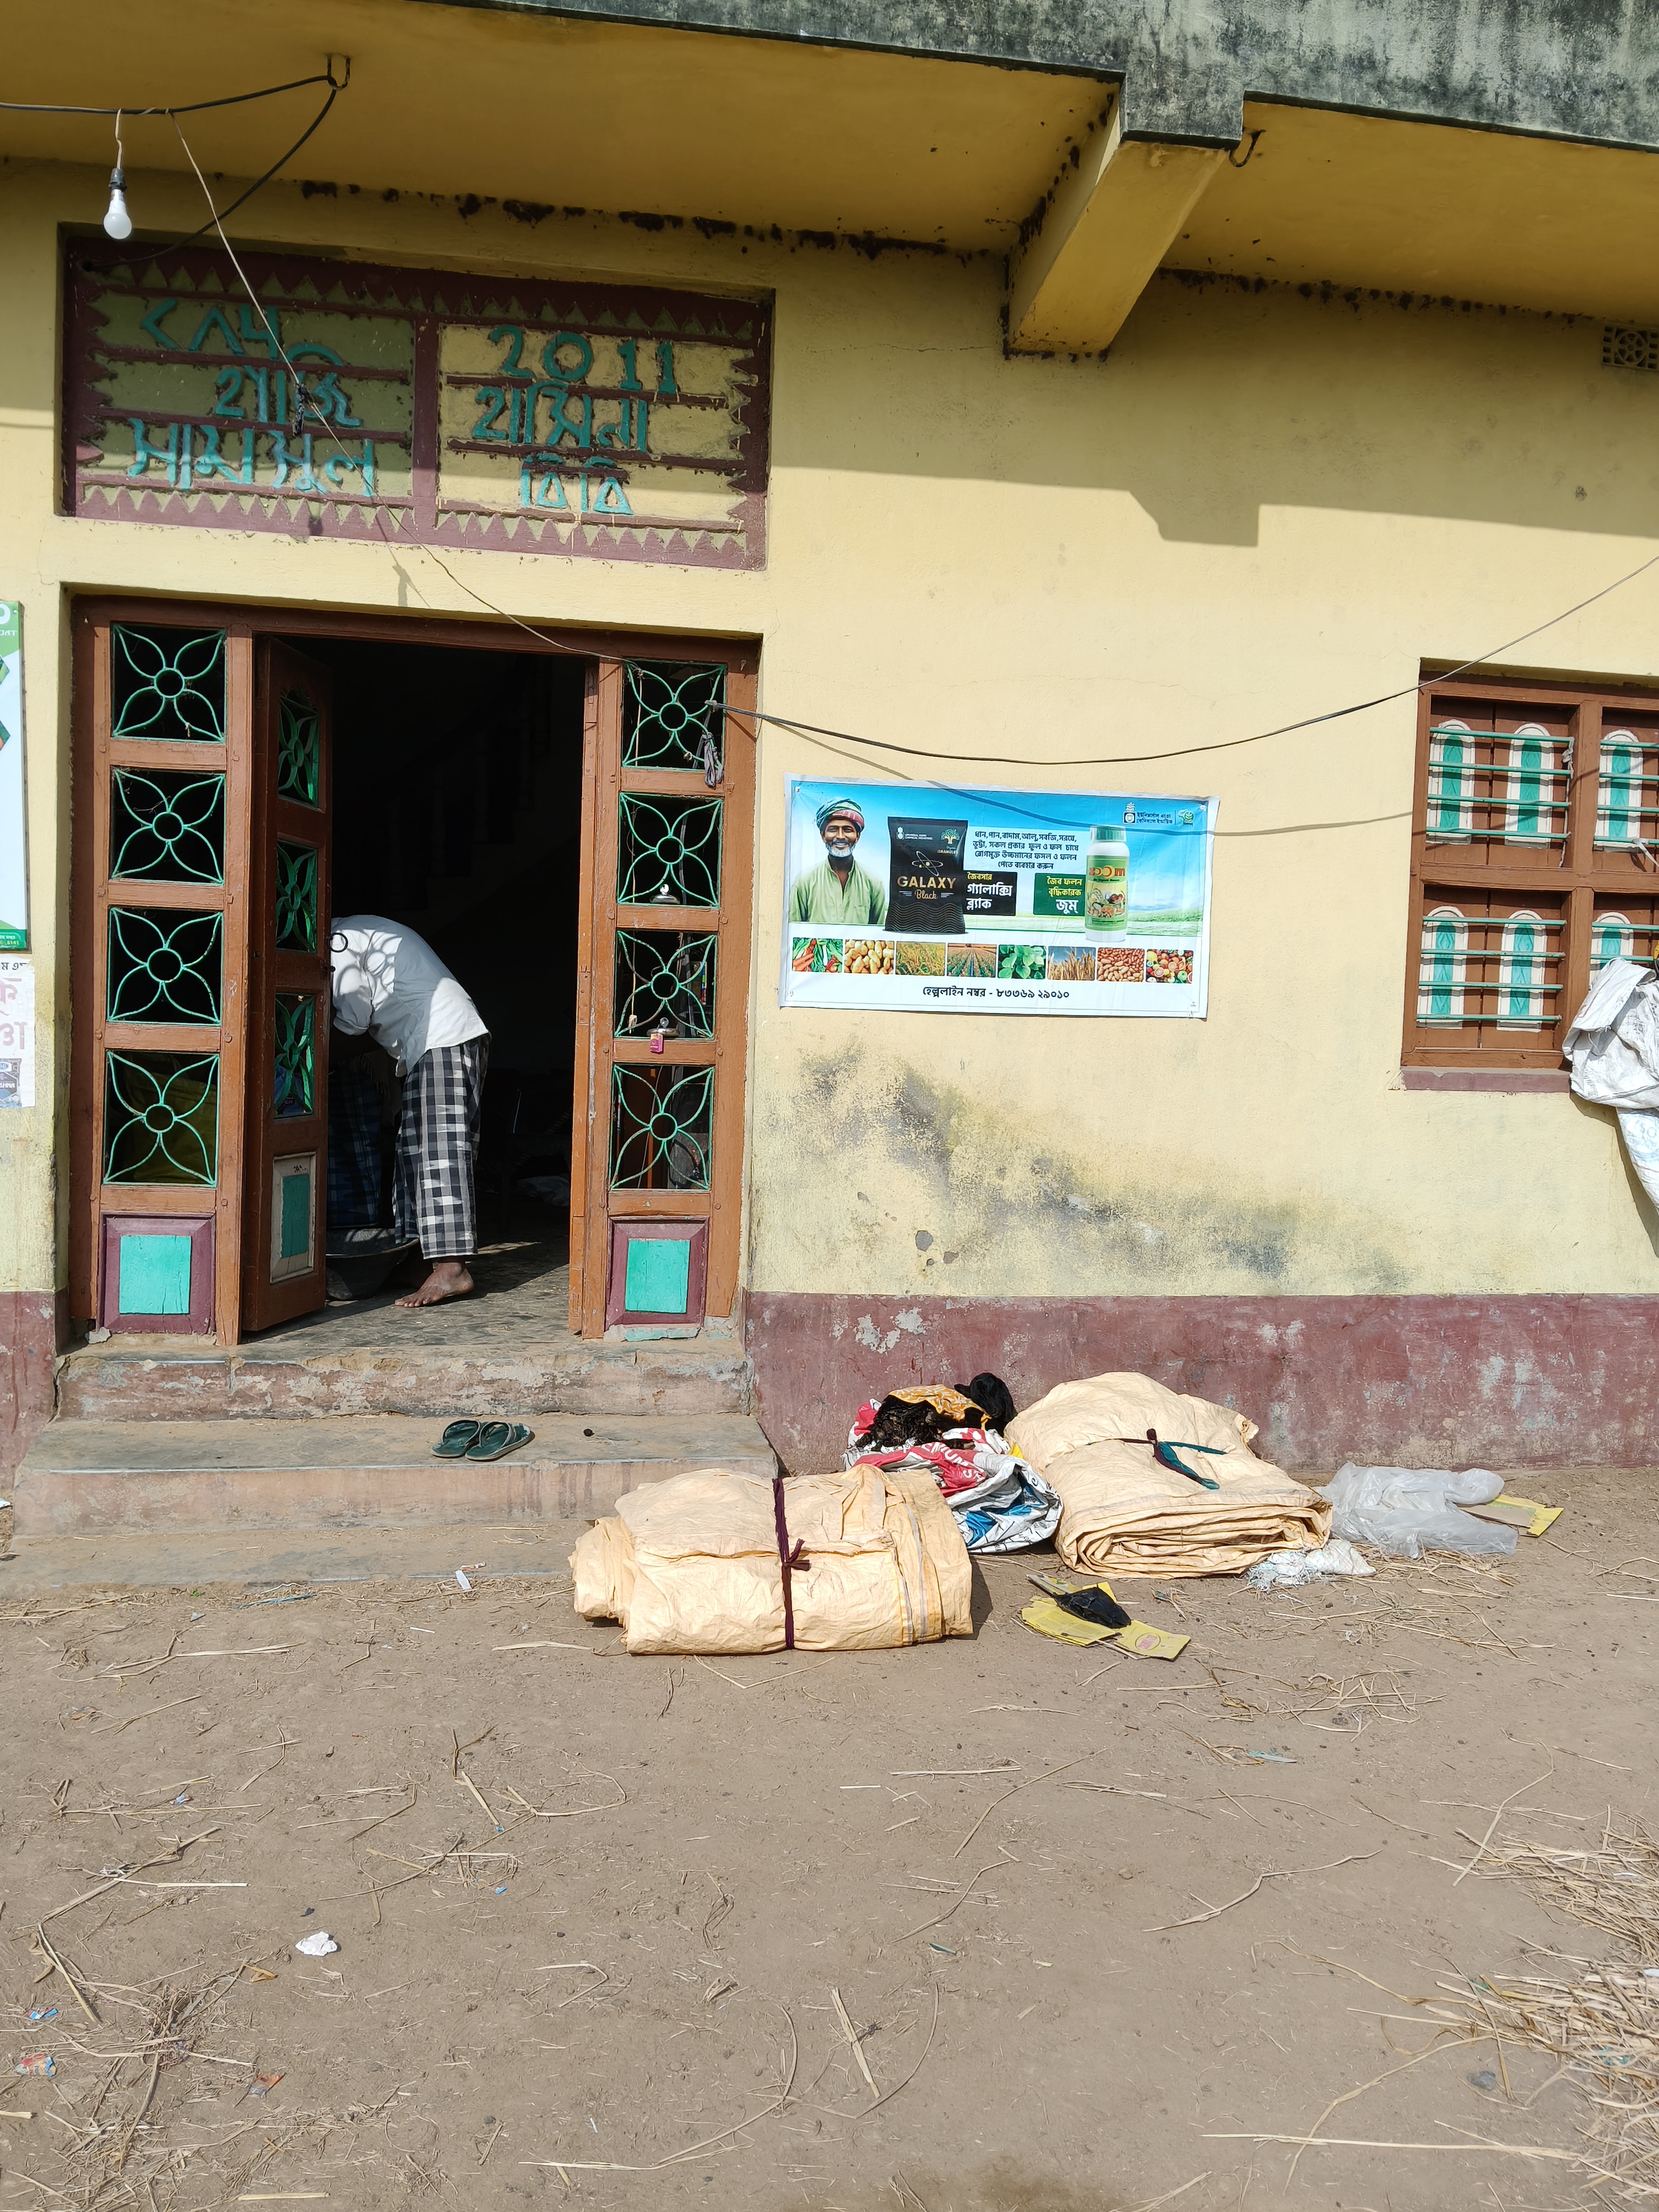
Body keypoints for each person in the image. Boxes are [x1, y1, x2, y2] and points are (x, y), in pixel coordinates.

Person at [328, 916, 489, 1309]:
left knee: (439, 1151)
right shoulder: (353, 935)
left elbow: (353, 1020)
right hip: (430, 1043)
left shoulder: (340, 942)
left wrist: (312, 1057)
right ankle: (420, 1260)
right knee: (412, 1155)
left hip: (443, 1037)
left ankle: (452, 1267)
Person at [788, 797, 887, 926]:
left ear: (857, 836)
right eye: (833, 829)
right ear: (823, 835)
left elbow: (878, 933)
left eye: (847, 830)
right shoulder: (805, 881)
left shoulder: (873, 882)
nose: (840, 836)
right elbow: (794, 929)